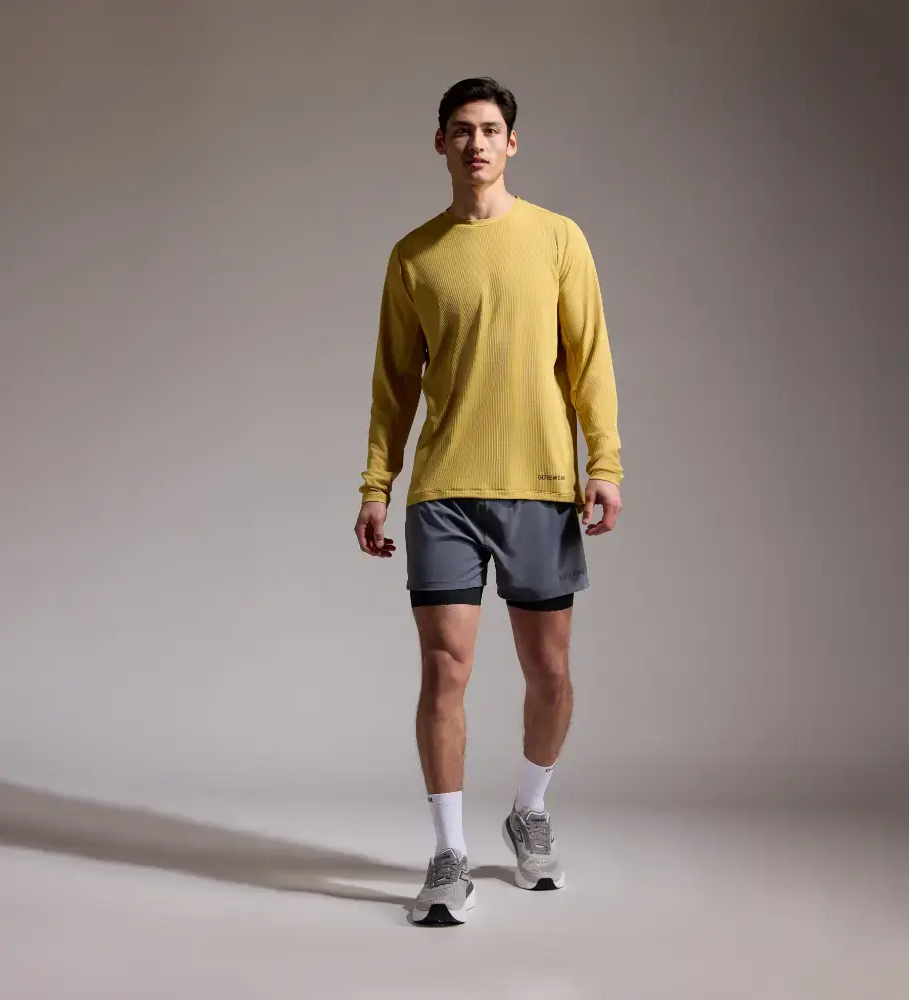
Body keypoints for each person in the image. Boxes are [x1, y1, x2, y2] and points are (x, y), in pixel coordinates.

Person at [354, 77, 623, 926]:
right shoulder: (414, 256)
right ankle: (449, 854)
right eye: (462, 129)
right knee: (445, 670)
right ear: (440, 143)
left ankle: (529, 810)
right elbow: (393, 385)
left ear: (512, 143)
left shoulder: (558, 238)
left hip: (540, 488)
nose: (477, 142)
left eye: (491, 129)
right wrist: (376, 484)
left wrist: (605, 462)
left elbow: (588, 359)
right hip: (444, 494)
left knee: (550, 674)